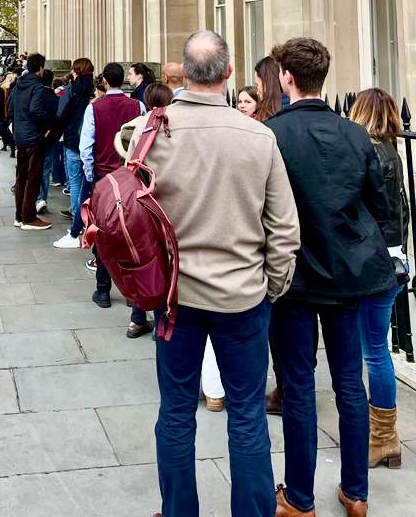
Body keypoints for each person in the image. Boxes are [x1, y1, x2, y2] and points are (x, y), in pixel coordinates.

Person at [129, 31, 300, 517]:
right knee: (246, 415)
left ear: (183, 72)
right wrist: (272, 286)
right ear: (228, 74)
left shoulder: (148, 132)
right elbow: (284, 230)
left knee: (177, 412)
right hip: (242, 296)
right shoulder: (259, 136)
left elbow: (130, 208)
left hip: (174, 296)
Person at [267, 38, 395, 517]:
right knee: (348, 383)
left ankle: (300, 499)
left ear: (286, 77)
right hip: (348, 277)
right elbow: (379, 210)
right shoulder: (356, 135)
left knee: (299, 385)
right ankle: (356, 492)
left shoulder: (272, 134)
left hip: (295, 280)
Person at [349, 88, 410, 471]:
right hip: (393, 258)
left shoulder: (369, 154)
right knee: (375, 347)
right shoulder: (392, 152)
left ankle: (383, 438)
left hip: (373, 261)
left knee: (372, 350)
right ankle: (383, 436)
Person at [80, 63, 146, 330]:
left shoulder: (93, 108)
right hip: (129, 176)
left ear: (105, 81)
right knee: (132, 234)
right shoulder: (137, 107)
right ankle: (133, 293)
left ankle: (104, 290)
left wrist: (90, 175)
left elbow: (87, 145)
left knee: (103, 232)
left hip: (103, 177)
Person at [52, 58, 96, 249]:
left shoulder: (70, 90)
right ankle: (87, 221)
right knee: (88, 185)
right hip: (91, 142)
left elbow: (61, 114)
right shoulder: (94, 91)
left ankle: (77, 225)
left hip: (72, 140)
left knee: (76, 183)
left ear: (75, 71)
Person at [8, 52, 54, 230]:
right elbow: (36, 109)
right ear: (41, 68)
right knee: (33, 178)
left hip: (20, 135)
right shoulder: (38, 87)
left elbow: (11, 108)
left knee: (21, 176)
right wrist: (50, 123)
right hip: (34, 136)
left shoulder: (18, 85)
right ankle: (28, 218)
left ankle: (19, 216)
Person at [36, 69, 61, 214]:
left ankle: (38, 198)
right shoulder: (55, 99)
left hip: (34, 137)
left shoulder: (36, 96)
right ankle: (42, 198)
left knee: (36, 168)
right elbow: (58, 119)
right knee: (45, 169)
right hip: (50, 138)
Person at [255, 55, 285, 121]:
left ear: (266, 83)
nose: (257, 92)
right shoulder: (292, 107)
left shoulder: (271, 116)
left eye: (257, 85)